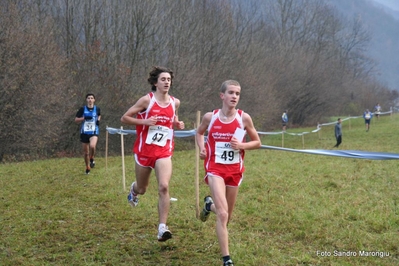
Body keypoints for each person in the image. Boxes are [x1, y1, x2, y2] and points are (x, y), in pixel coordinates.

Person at [195, 80, 261, 266]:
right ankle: (227, 259)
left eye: (237, 93)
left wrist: (242, 145)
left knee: (226, 216)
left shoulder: (244, 118)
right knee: (223, 215)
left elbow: (257, 142)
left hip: (234, 171)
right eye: (231, 92)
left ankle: (209, 206)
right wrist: (202, 149)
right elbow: (199, 133)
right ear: (222, 95)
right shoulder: (211, 117)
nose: (234, 96)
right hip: (215, 168)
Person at [120, 66, 184, 242]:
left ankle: (162, 228)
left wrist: (177, 123)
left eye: (169, 80)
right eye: (163, 79)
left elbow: (173, 118)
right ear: (155, 83)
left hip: (163, 151)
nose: (166, 82)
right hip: (144, 151)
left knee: (163, 186)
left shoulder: (175, 102)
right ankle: (134, 190)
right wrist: (145, 121)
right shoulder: (146, 101)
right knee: (142, 188)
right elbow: (124, 118)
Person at [75, 93, 101, 174]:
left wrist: (98, 120)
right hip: (84, 132)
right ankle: (87, 167)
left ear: (94, 100)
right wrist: (84, 118)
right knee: (86, 152)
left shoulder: (97, 108)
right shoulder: (82, 109)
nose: (90, 99)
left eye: (91, 98)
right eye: (88, 98)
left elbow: (99, 115)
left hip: (94, 131)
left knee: (92, 146)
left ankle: (92, 157)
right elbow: (76, 120)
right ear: (86, 100)